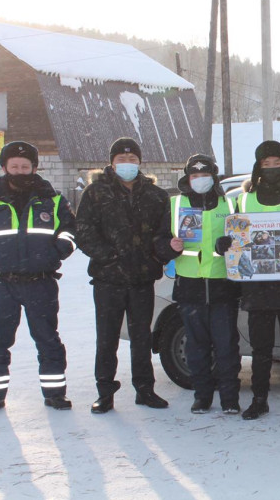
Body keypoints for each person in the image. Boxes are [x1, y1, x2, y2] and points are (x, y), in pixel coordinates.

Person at [76, 137, 178, 414]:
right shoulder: (96, 193)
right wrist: (108, 256)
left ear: (140, 162)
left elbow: (163, 234)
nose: (127, 164)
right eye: (122, 159)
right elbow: (83, 231)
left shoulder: (156, 196)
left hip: (143, 279)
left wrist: (163, 252)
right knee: (107, 338)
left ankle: (145, 389)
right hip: (108, 280)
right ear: (111, 163)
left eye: (132, 159)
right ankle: (105, 392)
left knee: (141, 338)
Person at [215, 140, 280, 419]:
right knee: (261, 350)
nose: (271, 168)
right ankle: (259, 400)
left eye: (277, 162)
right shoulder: (243, 199)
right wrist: (222, 244)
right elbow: (234, 238)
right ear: (257, 166)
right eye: (265, 163)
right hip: (257, 287)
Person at [0, 142, 76, 414]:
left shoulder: (53, 199)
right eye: (14, 167)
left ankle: (55, 393)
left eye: (25, 167)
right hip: (1, 282)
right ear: (4, 168)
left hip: (41, 281)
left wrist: (58, 250)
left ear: (34, 168)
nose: (20, 171)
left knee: (48, 338)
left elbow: (69, 229)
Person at [169, 154, 242, 414]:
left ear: (214, 176)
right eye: (195, 175)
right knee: (196, 347)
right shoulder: (175, 204)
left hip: (223, 286)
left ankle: (230, 398)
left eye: (205, 175)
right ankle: (202, 396)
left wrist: (230, 243)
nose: (200, 180)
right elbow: (158, 241)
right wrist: (169, 245)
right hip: (190, 287)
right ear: (187, 178)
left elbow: (244, 240)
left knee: (226, 347)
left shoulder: (229, 203)